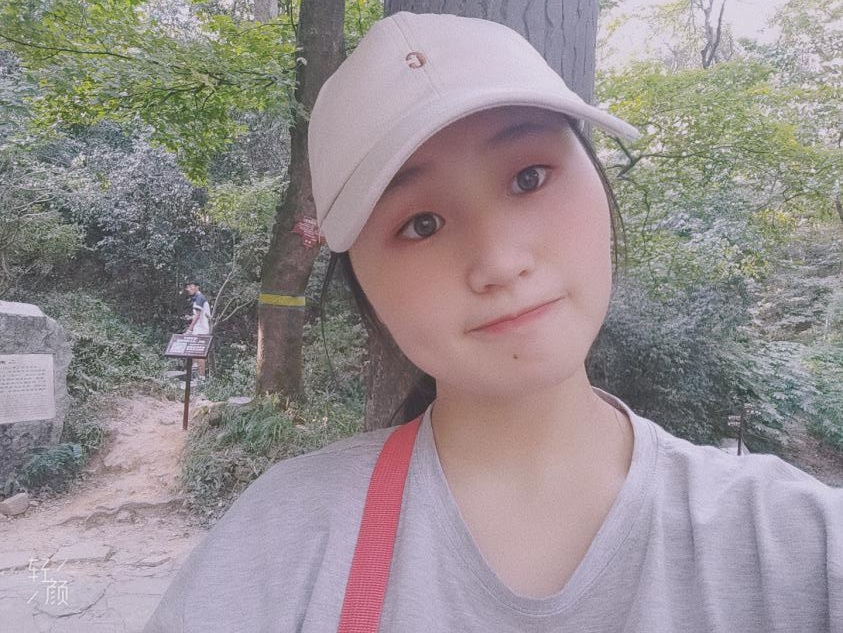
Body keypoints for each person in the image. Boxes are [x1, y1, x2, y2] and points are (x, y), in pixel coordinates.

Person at [145, 13, 842, 632]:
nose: (500, 263)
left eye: (529, 177)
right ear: (364, 288)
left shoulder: (795, 543)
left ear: (598, 181)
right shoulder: (278, 544)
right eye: (422, 224)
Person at [184, 281, 211, 379]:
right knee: (195, 353)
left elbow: (198, 315)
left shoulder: (200, 298)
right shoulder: (198, 299)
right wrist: (191, 317)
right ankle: (196, 376)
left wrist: (189, 329)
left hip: (201, 330)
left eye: (191, 287)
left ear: (197, 287)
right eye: (188, 287)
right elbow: (200, 314)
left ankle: (201, 378)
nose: (189, 289)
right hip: (199, 329)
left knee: (200, 355)